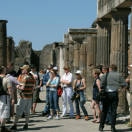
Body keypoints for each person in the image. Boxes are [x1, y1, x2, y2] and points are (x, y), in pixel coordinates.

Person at [99, 64, 127, 132]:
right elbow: (125, 85)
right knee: (113, 111)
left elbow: (101, 85)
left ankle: (101, 126)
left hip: (106, 94)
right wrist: (120, 90)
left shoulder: (105, 75)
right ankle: (113, 127)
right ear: (116, 69)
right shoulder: (119, 75)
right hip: (114, 93)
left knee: (104, 111)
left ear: (110, 68)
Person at [11, 65, 35, 130]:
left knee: (19, 111)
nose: (21, 70)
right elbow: (33, 88)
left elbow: (22, 88)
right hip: (29, 97)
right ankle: (26, 124)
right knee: (27, 112)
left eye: (23, 69)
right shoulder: (32, 77)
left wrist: (17, 86)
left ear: (26, 70)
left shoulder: (25, 77)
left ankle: (15, 125)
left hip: (23, 97)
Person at [0, 66, 13, 132]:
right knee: (4, 112)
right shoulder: (6, 78)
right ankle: (2, 127)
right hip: (4, 96)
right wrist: (12, 97)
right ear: (3, 70)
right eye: (5, 69)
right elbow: (10, 89)